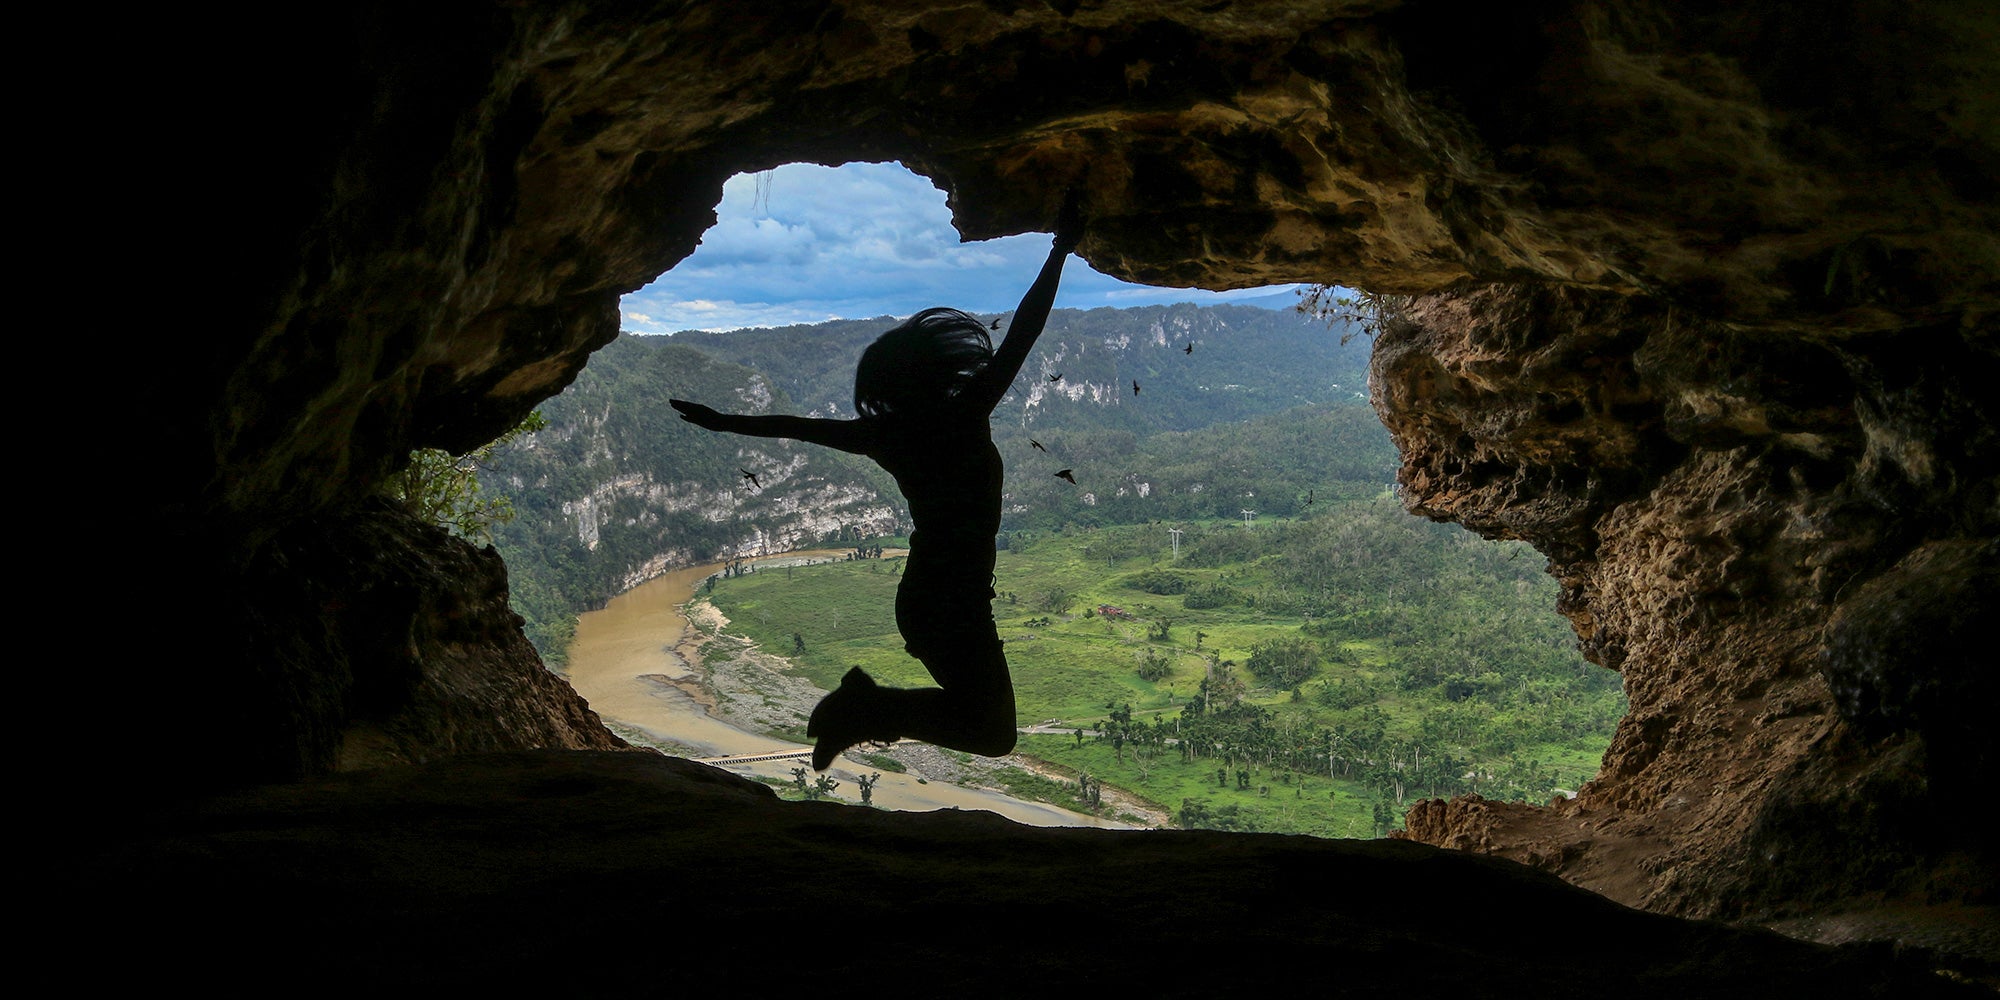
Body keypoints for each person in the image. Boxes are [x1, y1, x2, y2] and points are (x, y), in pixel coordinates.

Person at [671, 193, 1084, 770]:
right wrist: (1061, 249)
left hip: (934, 600)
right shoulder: (966, 410)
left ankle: (865, 708)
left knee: (987, 725)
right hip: (952, 604)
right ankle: (863, 707)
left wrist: (722, 421)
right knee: (992, 731)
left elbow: (794, 427)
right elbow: (1025, 331)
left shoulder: (888, 435)